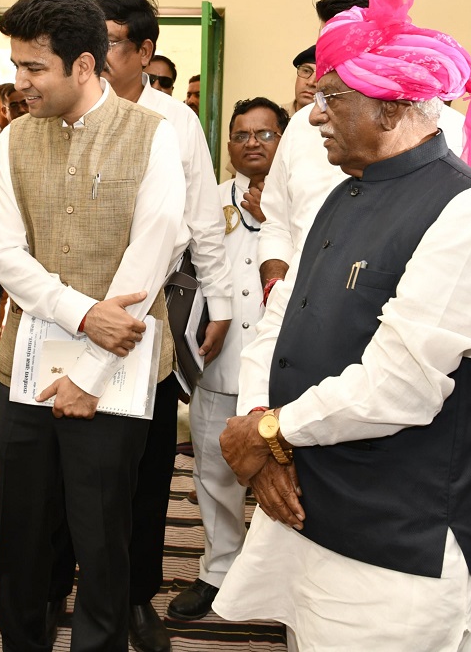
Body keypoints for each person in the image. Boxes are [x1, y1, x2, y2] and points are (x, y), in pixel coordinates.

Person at [214, 0, 471, 651]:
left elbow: (401, 385)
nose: (314, 114)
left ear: (392, 104)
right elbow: (278, 326)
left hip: (396, 547)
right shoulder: (341, 195)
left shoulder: (468, 213)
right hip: (310, 511)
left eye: (333, 98)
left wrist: (267, 430)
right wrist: (260, 433)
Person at [0, 0, 186, 652]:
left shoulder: (154, 137)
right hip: (28, 373)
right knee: (21, 541)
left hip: (119, 376)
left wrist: (94, 369)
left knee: (103, 541)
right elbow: (5, 253)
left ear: (82, 65)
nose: (20, 83)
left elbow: (149, 259)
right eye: (15, 66)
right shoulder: (14, 139)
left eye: (33, 68)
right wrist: (80, 312)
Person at [44, 0, 230, 652]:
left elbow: (204, 219)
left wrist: (222, 302)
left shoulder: (171, 121)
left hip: (148, 308)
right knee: (63, 454)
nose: (95, 51)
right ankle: (59, 588)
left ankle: (133, 597)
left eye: (113, 40)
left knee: (144, 466)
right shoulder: (59, 112)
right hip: (63, 310)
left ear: (145, 51)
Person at [257, 0, 468, 298]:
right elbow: (276, 222)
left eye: (337, 47)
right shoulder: (302, 123)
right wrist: (275, 288)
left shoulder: (448, 133)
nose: (320, 70)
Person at [167, 97, 288, 623]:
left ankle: (281, 578)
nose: (252, 143)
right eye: (242, 135)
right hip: (216, 362)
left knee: (285, 478)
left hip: (285, 373)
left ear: (285, 142)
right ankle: (218, 570)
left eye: (264, 134)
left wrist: (277, 219)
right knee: (214, 475)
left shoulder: (309, 202)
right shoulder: (208, 202)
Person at [284, 46, 316, 115]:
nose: (311, 82)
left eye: (320, 75)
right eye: (306, 71)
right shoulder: (275, 117)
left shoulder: (337, 124)